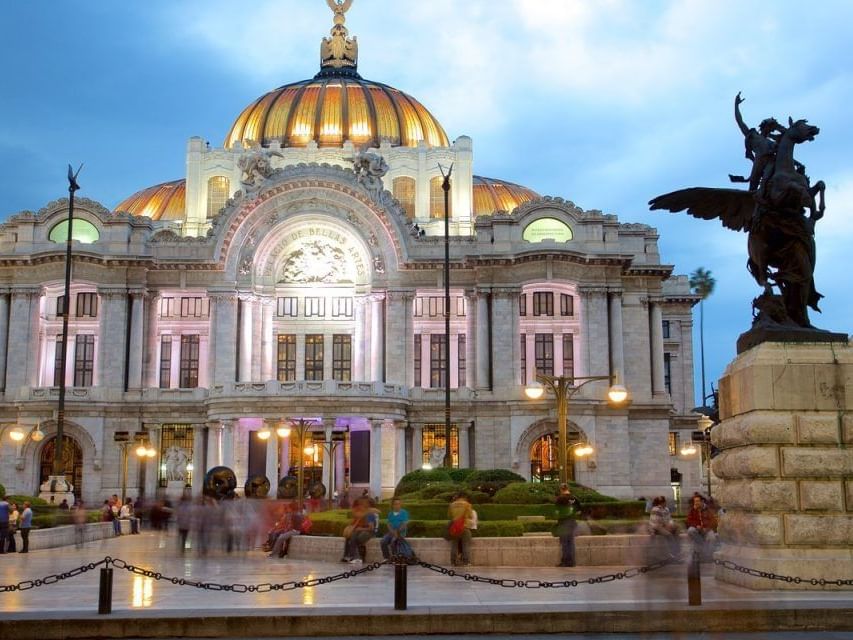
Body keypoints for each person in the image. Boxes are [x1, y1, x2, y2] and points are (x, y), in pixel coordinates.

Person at [554, 484, 582, 567]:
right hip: (572, 522)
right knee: (571, 542)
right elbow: (579, 511)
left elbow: (557, 512)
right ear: (568, 489)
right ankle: (572, 562)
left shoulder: (560, 499)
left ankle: (565, 562)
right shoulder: (574, 498)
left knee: (564, 543)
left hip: (563, 523)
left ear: (561, 490)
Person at [447, 493, 473, 567]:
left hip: (455, 527)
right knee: (466, 545)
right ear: (463, 498)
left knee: (454, 545)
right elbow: (470, 516)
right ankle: (466, 562)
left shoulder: (451, 505)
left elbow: (449, 516)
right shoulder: (467, 505)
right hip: (464, 526)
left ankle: (453, 562)